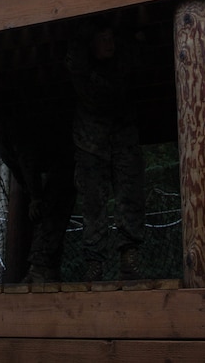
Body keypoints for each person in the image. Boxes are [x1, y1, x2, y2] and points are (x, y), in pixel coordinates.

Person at [65, 16, 145, 281]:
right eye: (103, 39)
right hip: (90, 142)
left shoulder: (124, 65)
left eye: (112, 39)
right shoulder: (80, 66)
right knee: (93, 205)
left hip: (122, 137)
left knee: (129, 195)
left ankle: (129, 260)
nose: (109, 44)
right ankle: (94, 266)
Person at [0, 104, 76, 283]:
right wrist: (33, 196)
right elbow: (20, 172)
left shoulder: (17, 133)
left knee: (50, 216)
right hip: (48, 173)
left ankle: (41, 268)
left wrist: (36, 197)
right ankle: (45, 269)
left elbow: (28, 163)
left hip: (62, 166)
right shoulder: (5, 147)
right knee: (46, 217)